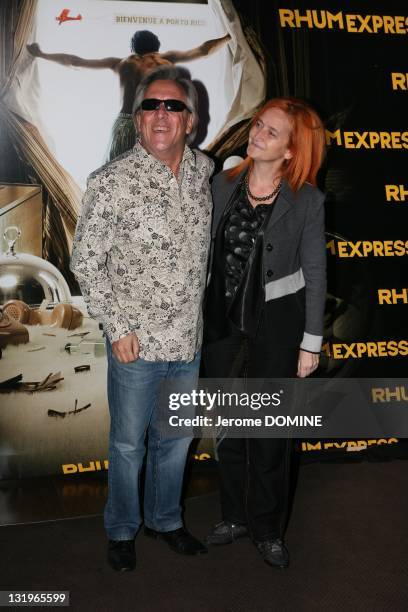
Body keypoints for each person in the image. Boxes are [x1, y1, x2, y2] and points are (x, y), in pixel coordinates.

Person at [70, 66, 214, 572]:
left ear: (190, 122)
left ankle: (166, 520)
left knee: (175, 442)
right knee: (129, 445)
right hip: (134, 344)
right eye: (151, 106)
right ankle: (123, 528)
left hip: (187, 343)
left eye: (173, 106)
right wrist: (117, 326)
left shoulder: (204, 172)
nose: (161, 114)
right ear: (136, 120)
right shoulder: (110, 182)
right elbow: (87, 260)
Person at [202, 97, 326, 569]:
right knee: (231, 426)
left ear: (292, 150)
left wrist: (309, 342)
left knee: (270, 433)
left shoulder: (308, 199)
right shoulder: (222, 183)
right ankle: (233, 516)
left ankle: (268, 528)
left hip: (278, 324)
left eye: (272, 132)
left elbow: (315, 271)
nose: (258, 135)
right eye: (258, 126)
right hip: (222, 325)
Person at [27, 30, 230, 160]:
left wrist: (41, 54)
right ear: (157, 46)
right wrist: (229, 36)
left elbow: (74, 61)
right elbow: (204, 50)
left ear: (133, 48)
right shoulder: (166, 59)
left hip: (125, 124)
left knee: (119, 178)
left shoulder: (121, 63)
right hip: (154, 125)